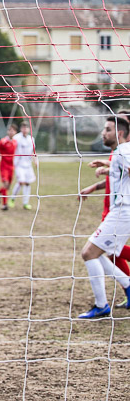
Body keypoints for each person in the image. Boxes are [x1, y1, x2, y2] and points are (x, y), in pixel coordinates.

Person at [78, 115, 130, 319]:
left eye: (107, 129)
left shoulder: (124, 151)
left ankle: (101, 306)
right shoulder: (120, 152)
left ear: (119, 133)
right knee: (100, 252)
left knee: (88, 253)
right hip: (119, 211)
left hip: (123, 211)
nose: (103, 133)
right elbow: (122, 173)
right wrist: (107, 169)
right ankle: (127, 285)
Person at [10, 122, 36, 210]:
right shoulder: (16, 138)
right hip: (19, 164)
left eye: (26, 128)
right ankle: (12, 198)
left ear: (29, 129)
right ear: (21, 129)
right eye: (23, 127)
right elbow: (11, 148)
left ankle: (26, 203)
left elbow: (33, 152)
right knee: (21, 182)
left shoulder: (31, 139)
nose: (25, 129)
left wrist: (35, 161)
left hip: (28, 165)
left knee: (27, 183)